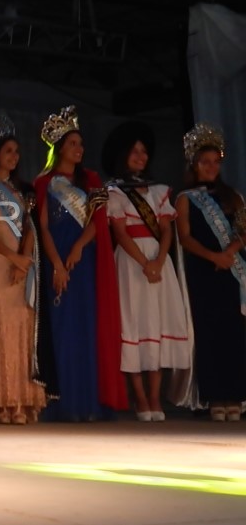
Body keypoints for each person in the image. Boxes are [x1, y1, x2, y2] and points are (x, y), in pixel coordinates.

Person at [34, 106, 125, 421]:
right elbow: (43, 228)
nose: (79, 149)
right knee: (63, 328)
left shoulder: (92, 181)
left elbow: (98, 223)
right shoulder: (44, 183)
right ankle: (65, 402)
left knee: (88, 327)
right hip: (56, 260)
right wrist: (57, 264)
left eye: (81, 144)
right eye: (73, 143)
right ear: (60, 148)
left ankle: (89, 402)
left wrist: (77, 249)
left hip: (85, 261)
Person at [104, 122, 191, 422]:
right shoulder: (115, 192)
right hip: (131, 263)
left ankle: (155, 397)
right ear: (123, 156)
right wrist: (144, 263)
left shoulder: (159, 191)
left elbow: (166, 230)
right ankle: (140, 398)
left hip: (159, 261)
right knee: (135, 324)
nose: (140, 156)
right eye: (134, 151)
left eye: (143, 151)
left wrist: (159, 260)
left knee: (157, 323)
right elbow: (120, 232)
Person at [0, 116, 46, 424]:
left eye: (17, 151)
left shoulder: (23, 191)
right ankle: (4, 403)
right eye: (8, 151)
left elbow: (30, 227)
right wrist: (13, 258)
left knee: (22, 328)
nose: (14, 157)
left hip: (21, 264)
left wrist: (24, 258)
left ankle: (24, 401)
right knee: (1, 328)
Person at [175, 124, 246, 422]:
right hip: (203, 271)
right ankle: (215, 395)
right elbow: (185, 237)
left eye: (215, 162)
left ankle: (236, 395)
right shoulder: (185, 198)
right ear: (194, 164)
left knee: (235, 333)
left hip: (231, 271)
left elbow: (243, 231)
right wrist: (213, 256)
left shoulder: (233, 196)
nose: (211, 167)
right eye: (205, 162)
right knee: (210, 333)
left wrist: (229, 253)